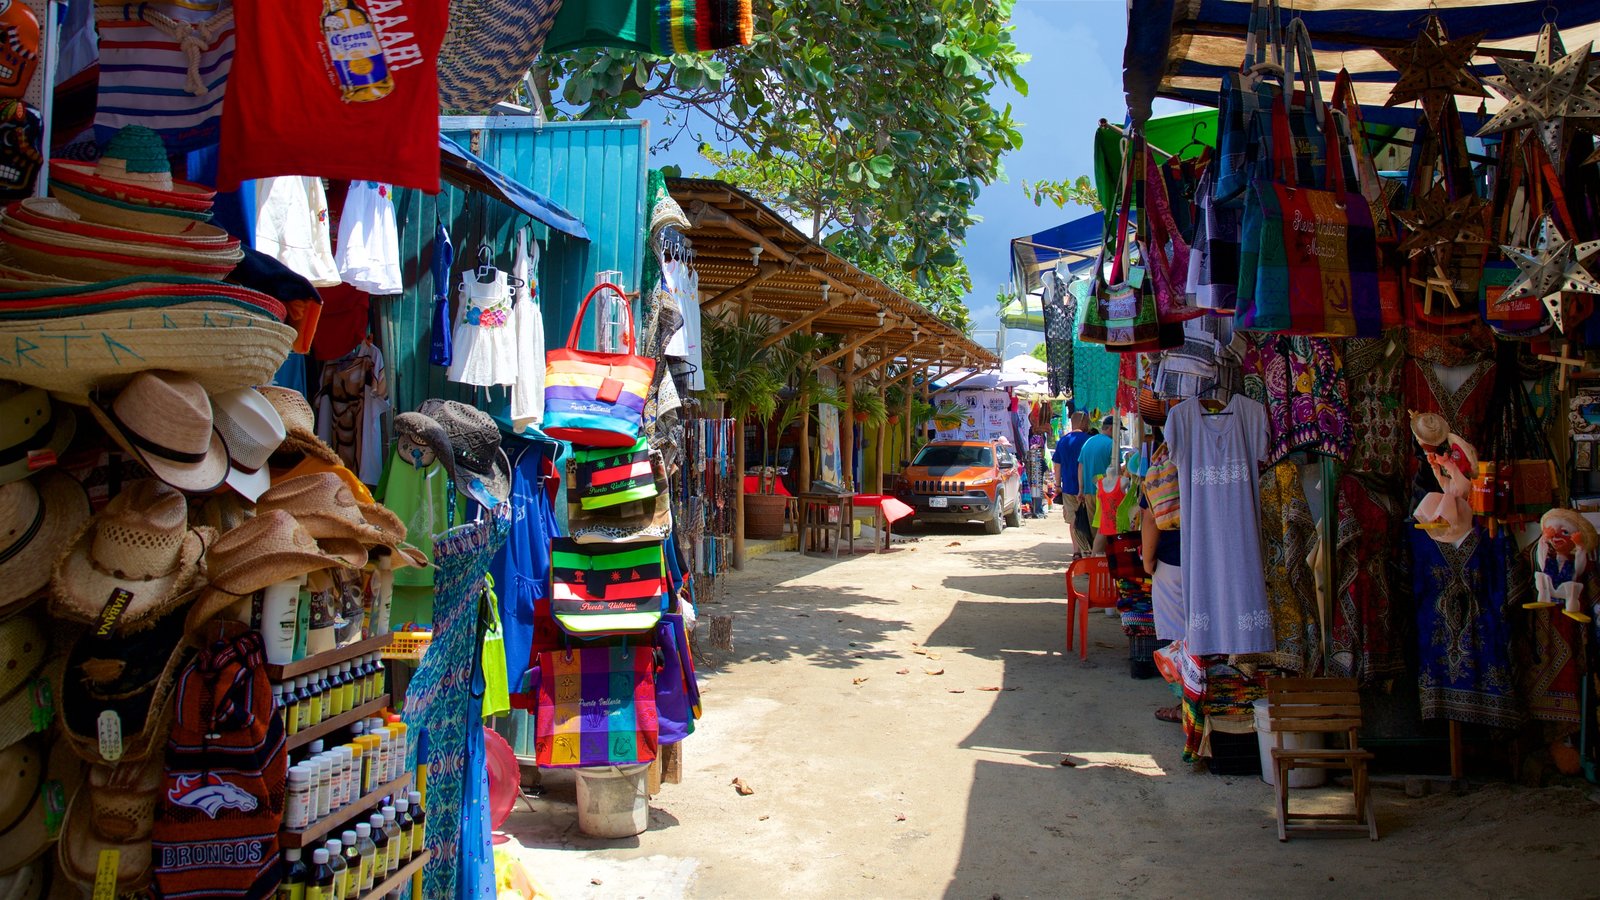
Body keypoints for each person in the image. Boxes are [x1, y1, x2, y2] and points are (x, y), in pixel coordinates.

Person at [1052, 412, 1092, 557]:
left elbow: (1057, 465)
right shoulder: (1089, 440)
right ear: (1083, 423)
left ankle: (1076, 551)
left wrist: (1057, 485)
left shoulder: (1062, 441)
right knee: (1087, 519)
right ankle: (1087, 549)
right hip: (1087, 487)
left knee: (1073, 521)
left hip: (1068, 487)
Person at [1077, 416, 1115, 552]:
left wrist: (1081, 489)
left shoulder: (1088, 442)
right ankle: (1100, 561)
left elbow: (1080, 466)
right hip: (1106, 493)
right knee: (1105, 529)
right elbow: (1118, 469)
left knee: (1094, 529)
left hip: (1088, 491)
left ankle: (1093, 560)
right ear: (1111, 428)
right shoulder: (1112, 444)